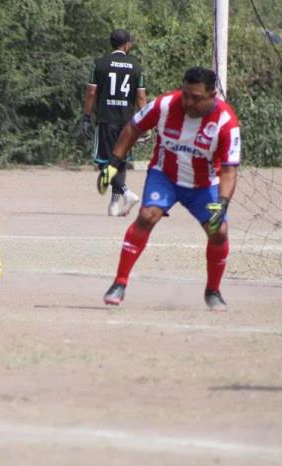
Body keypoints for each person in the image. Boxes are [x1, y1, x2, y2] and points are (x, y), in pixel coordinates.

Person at [102, 66, 241, 311]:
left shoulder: (226, 123)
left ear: (213, 95)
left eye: (196, 98)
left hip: (204, 185)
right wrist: (114, 163)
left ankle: (213, 291)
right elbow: (133, 128)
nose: (188, 102)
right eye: (185, 94)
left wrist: (223, 204)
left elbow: (229, 170)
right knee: (146, 216)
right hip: (165, 175)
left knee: (219, 231)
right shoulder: (165, 105)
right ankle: (119, 283)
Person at [82, 29, 147, 216]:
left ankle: (125, 192)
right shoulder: (136, 66)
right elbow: (141, 98)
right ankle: (114, 205)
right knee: (121, 161)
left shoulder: (99, 64)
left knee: (104, 162)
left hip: (106, 119)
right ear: (127, 44)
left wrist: (86, 116)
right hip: (128, 122)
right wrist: (145, 125)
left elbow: (91, 93)